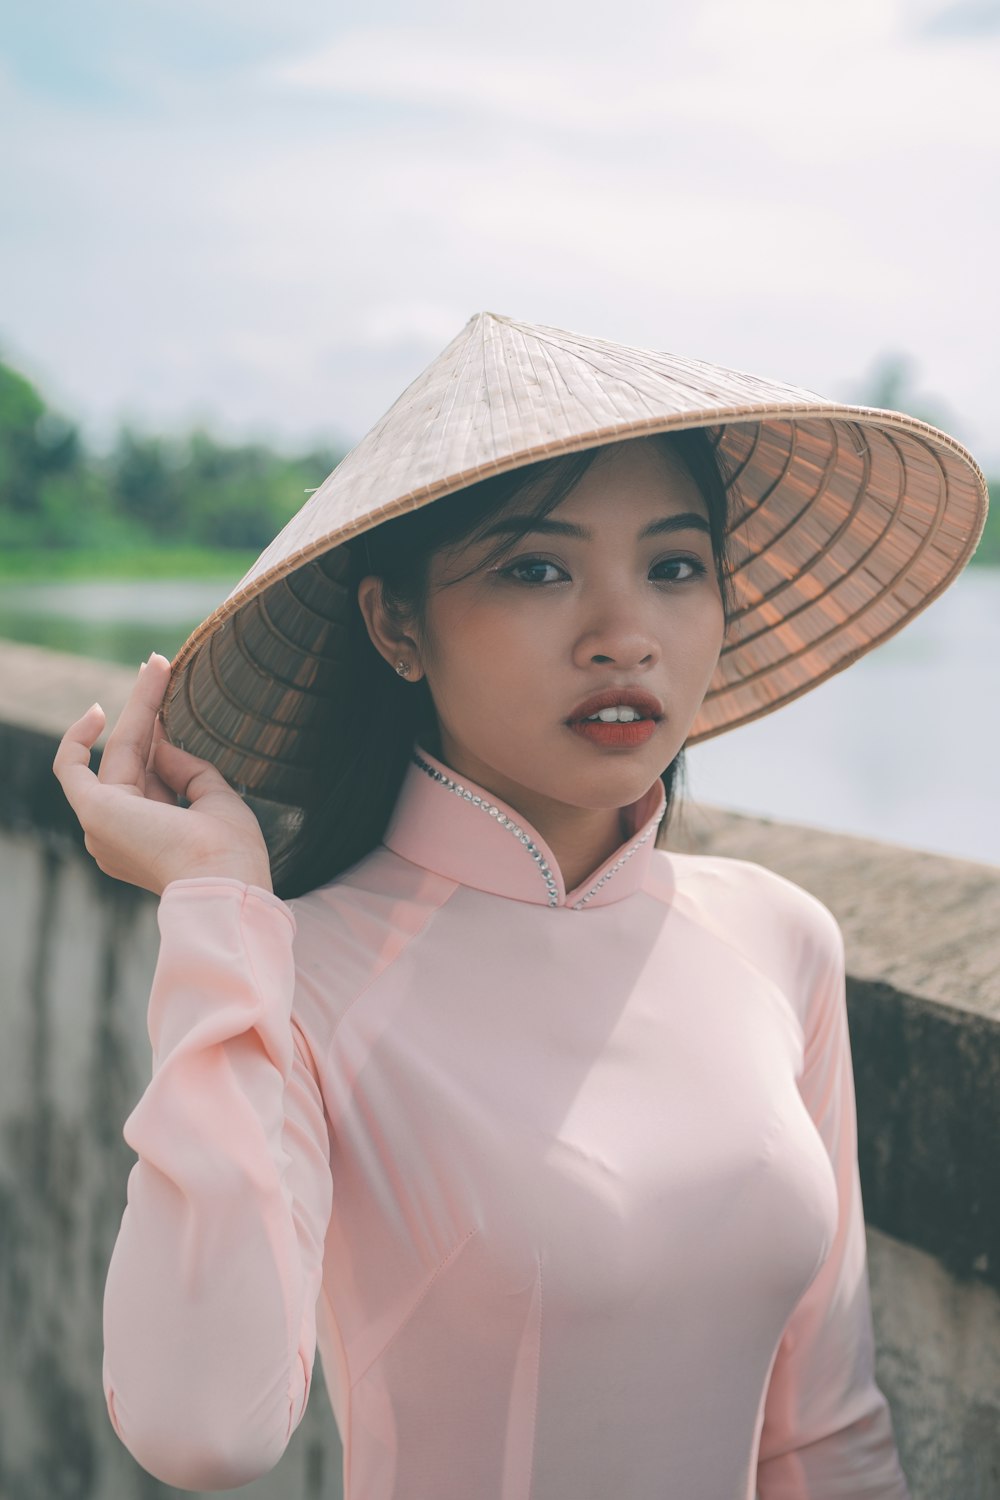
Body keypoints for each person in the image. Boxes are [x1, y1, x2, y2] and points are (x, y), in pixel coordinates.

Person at [53, 312, 987, 1499]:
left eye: (674, 565)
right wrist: (215, 907)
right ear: (398, 622)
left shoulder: (775, 939)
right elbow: (203, 1431)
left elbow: (825, 1438)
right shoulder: (297, 982)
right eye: (535, 568)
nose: (624, 636)